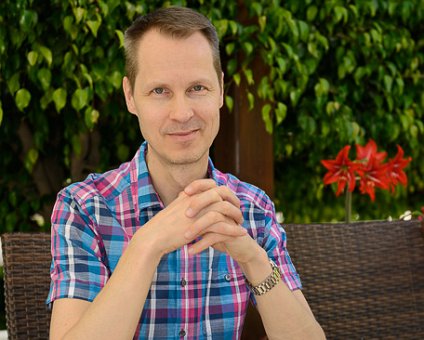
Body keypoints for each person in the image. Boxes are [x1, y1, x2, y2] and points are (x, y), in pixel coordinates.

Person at [47, 6, 325, 340]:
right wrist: (147, 244)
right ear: (130, 97)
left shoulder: (252, 207)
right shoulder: (84, 207)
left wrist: (253, 259)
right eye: (160, 91)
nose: (182, 113)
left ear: (220, 90)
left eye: (197, 88)